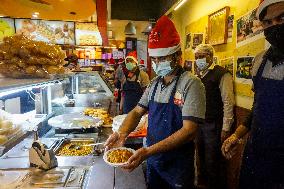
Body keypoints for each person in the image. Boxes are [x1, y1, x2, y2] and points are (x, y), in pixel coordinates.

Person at [105, 15, 206, 189]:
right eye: (155, 59)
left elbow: (189, 131)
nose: (158, 63)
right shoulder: (154, 83)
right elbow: (137, 111)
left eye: (163, 58)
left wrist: (147, 151)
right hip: (153, 161)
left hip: (178, 164)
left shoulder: (192, 83)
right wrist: (121, 134)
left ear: (177, 56)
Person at [222, 0, 284, 188]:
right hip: (256, 155)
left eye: (282, 18)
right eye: (268, 22)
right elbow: (258, 108)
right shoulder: (259, 62)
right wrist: (236, 135)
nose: (275, 26)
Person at [194, 44, 235, 189]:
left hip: (214, 124)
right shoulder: (198, 75)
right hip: (199, 123)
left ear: (210, 57)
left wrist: (226, 128)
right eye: (196, 57)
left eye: (202, 57)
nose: (198, 60)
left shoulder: (222, 74)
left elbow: (228, 102)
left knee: (213, 160)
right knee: (201, 158)